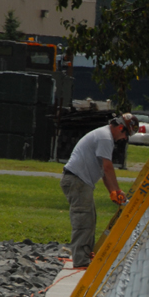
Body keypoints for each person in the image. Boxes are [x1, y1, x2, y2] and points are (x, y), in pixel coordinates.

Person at [60, 113, 139, 268]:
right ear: (121, 127)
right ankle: (81, 261)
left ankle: (85, 255)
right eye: (125, 134)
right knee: (83, 221)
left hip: (80, 181)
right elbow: (108, 167)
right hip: (77, 181)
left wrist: (113, 191)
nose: (124, 138)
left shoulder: (104, 136)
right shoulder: (105, 138)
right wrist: (116, 190)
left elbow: (103, 171)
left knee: (90, 219)